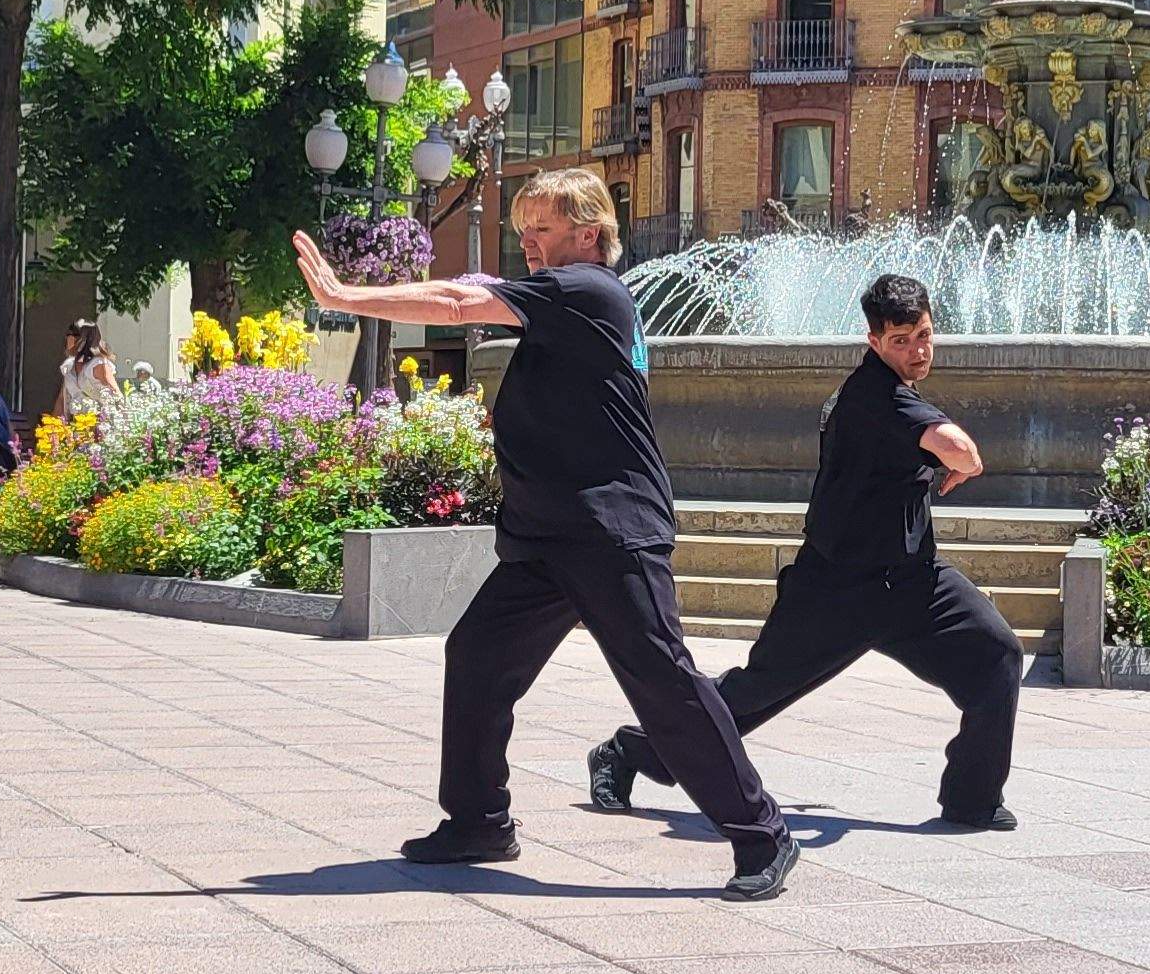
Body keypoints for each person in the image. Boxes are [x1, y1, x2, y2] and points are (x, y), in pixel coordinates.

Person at [290, 169, 797, 901]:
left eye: (543, 229)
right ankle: (478, 822)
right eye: (523, 229)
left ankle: (764, 834)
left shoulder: (585, 288)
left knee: (663, 683)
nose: (527, 242)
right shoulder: (562, 299)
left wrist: (346, 297)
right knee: (477, 657)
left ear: (588, 234)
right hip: (549, 536)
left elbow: (460, 299)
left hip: (609, 531)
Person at [582, 273, 1021, 832]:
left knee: (998, 655)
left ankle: (972, 799)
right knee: (749, 700)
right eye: (901, 340)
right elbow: (956, 447)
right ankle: (626, 751)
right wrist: (968, 462)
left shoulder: (899, 397)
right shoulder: (875, 397)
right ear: (874, 341)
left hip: (915, 582)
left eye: (924, 336)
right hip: (836, 590)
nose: (917, 351)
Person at [56, 318, 121, 420]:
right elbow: (62, 399)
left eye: (70, 334)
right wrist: (51, 425)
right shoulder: (69, 366)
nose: (67, 338)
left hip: (99, 423)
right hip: (77, 424)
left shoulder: (97, 365)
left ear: (81, 338)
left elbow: (116, 394)